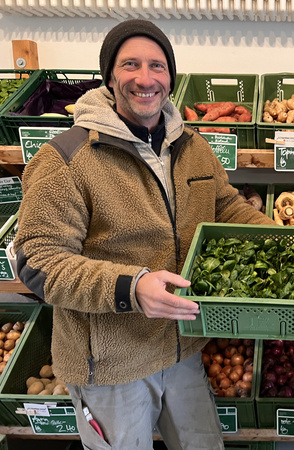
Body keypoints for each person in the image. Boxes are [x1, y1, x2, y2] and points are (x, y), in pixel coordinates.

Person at [13, 19, 274, 449]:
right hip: (111, 364)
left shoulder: (192, 146)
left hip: (183, 347)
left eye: (157, 65)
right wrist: (131, 288)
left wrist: (276, 238)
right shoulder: (67, 159)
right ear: (109, 76)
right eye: (130, 64)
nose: (145, 78)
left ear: (170, 77)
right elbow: (37, 262)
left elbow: (225, 206)